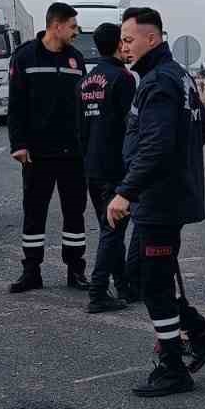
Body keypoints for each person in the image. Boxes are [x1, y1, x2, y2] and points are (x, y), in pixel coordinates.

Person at [107, 8, 205, 397]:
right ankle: (200, 331)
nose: (123, 46)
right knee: (140, 275)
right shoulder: (178, 77)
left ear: (152, 39)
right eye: (122, 40)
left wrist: (127, 191)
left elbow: (156, 145)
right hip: (160, 199)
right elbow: (201, 130)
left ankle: (173, 367)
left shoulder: (159, 81)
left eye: (129, 39)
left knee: (154, 283)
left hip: (158, 201)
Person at [5, 1, 90, 294]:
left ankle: (76, 270)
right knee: (34, 212)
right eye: (73, 26)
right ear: (56, 25)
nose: (76, 31)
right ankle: (31, 271)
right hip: (37, 153)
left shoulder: (76, 59)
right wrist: (18, 144)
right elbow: (15, 105)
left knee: (75, 213)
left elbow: (83, 106)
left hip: (73, 153)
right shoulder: (25, 56)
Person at [80, 21, 136, 313]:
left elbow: (81, 128)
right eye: (124, 41)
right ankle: (98, 291)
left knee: (108, 226)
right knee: (112, 230)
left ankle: (123, 285)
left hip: (92, 165)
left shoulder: (86, 81)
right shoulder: (123, 79)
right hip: (115, 165)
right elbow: (131, 126)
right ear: (118, 44)